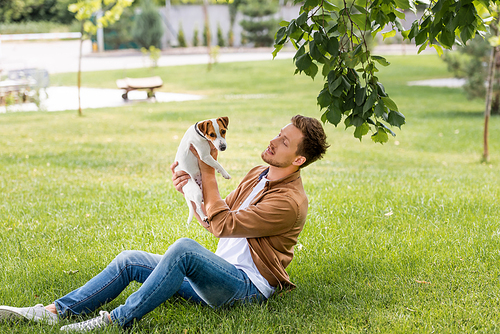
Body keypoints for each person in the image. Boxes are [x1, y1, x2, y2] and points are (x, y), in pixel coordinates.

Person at [0, 115, 329, 332]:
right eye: (278, 133)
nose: (273, 140)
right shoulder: (259, 175)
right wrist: (193, 185)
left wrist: (209, 171)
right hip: (216, 275)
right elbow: (213, 218)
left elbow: (223, 225)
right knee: (130, 259)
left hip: (244, 288)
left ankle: (117, 321)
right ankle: (54, 312)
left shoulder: (288, 202)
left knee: (184, 250)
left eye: (284, 142)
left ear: (299, 160)